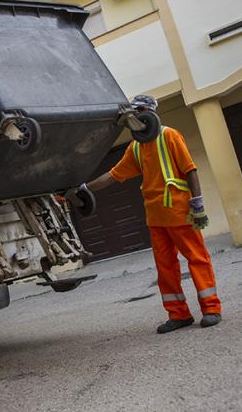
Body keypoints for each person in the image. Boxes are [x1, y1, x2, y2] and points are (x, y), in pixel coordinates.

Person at [67, 95, 222, 333]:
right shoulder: (136, 147)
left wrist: (197, 203)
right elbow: (114, 175)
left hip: (179, 212)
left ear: (151, 112)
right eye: (133, 112)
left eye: (140, 111)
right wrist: (84, 188)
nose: (137, 117)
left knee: (196, 259)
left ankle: (211, 309)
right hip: (156, 217)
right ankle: (179, 314)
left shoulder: (169, 135)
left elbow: (190, 169)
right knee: (165, 267)